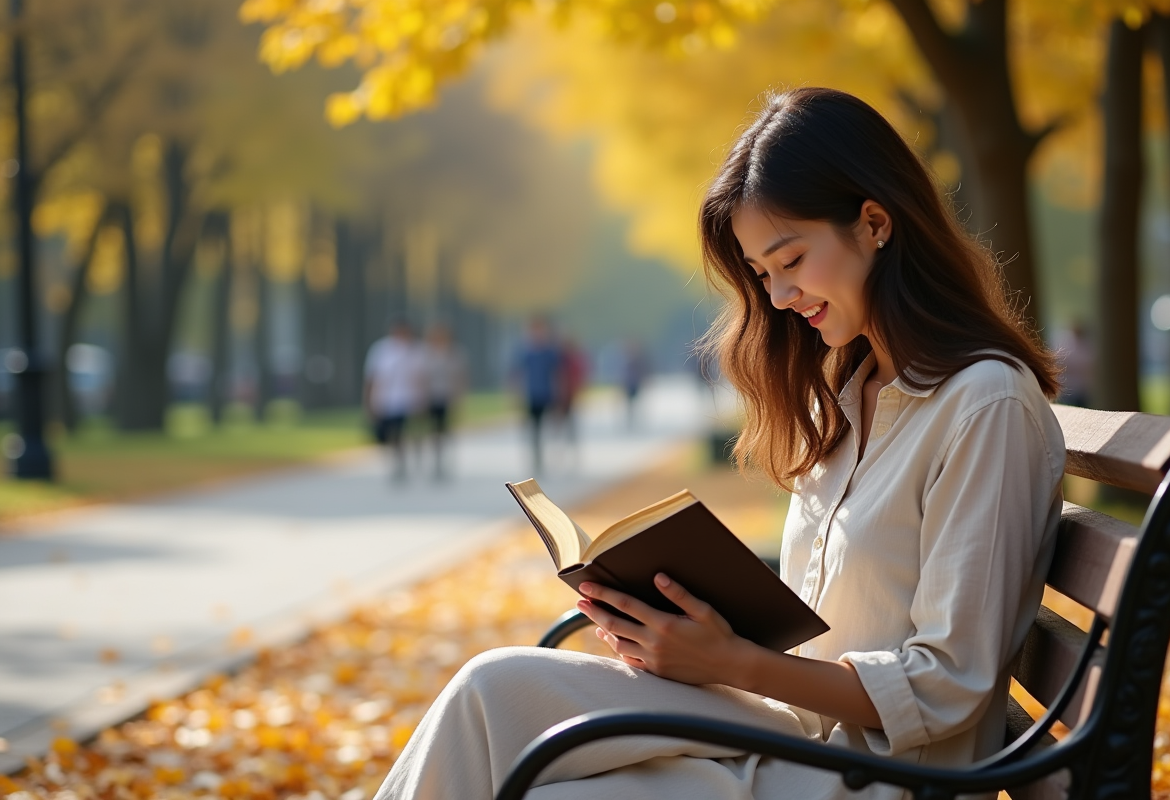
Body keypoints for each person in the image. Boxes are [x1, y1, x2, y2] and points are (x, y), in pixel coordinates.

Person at [373, 88, 1064, 800]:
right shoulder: (848, 395)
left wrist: (729, 661)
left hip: (881, 777)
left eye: (791, 259)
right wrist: (678, 632)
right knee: (491, 689)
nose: (779, 297)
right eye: (763, 274)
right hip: (789, 731)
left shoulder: (985, 405)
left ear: (874, 223)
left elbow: (949, 685)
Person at [363, 321, 425, 481]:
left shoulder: (416, 350)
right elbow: (372, 377)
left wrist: (422, 398)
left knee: (407, 432)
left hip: (409, 399)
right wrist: (369, 401)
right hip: (386, 399)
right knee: (392, 434)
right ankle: (398, 463)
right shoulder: (381, 349)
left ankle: (410, 460)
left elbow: (422, 377)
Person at [512, 317, 562, 474]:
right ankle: (536, 458)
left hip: (547, 394)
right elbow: (517, 373)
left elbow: (556, 375)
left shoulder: (549, 352)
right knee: (534, 429)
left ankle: (551, 458)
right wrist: (516, 394)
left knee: (550, 428)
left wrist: (558, 395)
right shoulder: (525, 352)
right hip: (531, 395)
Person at [419, 324, 467, 479]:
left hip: (447, 396)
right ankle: (434, 461)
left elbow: (460, 376)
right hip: (431, 396)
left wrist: (458, 397)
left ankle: (444, 462)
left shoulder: (454, 353)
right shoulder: (426, 353)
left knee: (445, 430)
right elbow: (421, 376)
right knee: (432, 430)